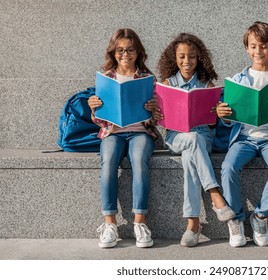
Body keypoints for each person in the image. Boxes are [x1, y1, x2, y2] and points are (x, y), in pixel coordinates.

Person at [216, 22, 268, 247]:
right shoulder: (238, 79)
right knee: (228, 167)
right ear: (246, 48)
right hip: (243, 138)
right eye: (253, 46)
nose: (258, 51)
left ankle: (260, 216)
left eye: (263, 46)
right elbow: (229, 118)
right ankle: (237, 219)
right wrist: (223, 114)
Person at [155, 33, 235, 247]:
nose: (186, 61)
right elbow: (161, 121)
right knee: (190, 139)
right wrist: (157, 114)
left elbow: (212, 125)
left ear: (199, 58)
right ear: (175, 58)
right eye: (182, 57)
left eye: (191, 57)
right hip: (175, 137)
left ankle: (193, 223)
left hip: (202, 138)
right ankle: (215, 193)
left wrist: (218, 113)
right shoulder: (167, 83)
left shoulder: (207, 85)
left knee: (192, 149)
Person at [88, 28, 159, 249]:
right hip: (113, 133)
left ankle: (140, 222)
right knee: (108, 162)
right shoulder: (106, 78)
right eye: (120, 50)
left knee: (139, 161)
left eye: (130, 50)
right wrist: (94, 108)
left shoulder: (147, 79)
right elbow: (98, 119)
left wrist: (153, 111)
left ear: (138, 52)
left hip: (140, 132)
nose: (125, 54)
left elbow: (156, 119)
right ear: (113, 52)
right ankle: (109, 223)